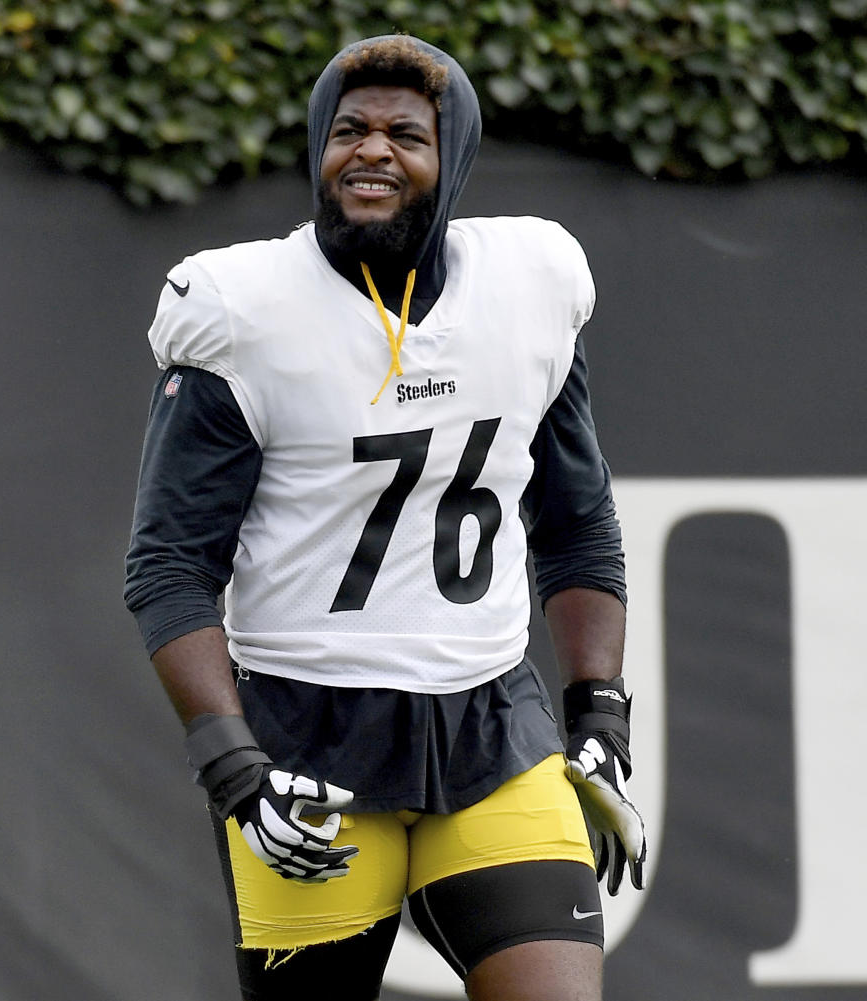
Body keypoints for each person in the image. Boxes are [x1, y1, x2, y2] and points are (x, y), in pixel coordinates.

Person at [125, 34, 646, 1001]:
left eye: (406, 133)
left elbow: (577, 520)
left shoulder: (528, 284)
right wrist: (234, 765)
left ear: (454, 160)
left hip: (492, 722)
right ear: (318, 147)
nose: (371, 150)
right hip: (309, 739)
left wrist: (600, 708)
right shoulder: (243, 308)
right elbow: (167, 568)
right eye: (348, 130)